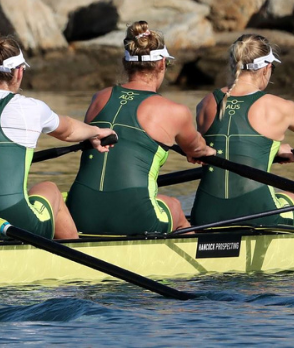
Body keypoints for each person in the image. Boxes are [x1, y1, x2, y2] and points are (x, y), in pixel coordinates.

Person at [0, 26, 117, 240]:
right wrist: (95, 131)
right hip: (16, 223)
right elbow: (68, 131)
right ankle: (72, 255)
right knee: (50, 189)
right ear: (19, 72)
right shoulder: (30, 108)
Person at [66, 21, 216, 235]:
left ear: (125, 63)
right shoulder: (175, 111)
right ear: (162, 64)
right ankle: (199, 262)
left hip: (79, 211)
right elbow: (197, 149)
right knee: (173, 205)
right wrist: (206, 151)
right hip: (134, 215)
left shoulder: (99, 97)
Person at [192, 34, 294, 229]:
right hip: (257, 210)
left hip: (205, 213)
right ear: (266, 68)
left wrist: (273, 149)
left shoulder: (205, 103)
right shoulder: (277, 107)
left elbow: (226, 146)